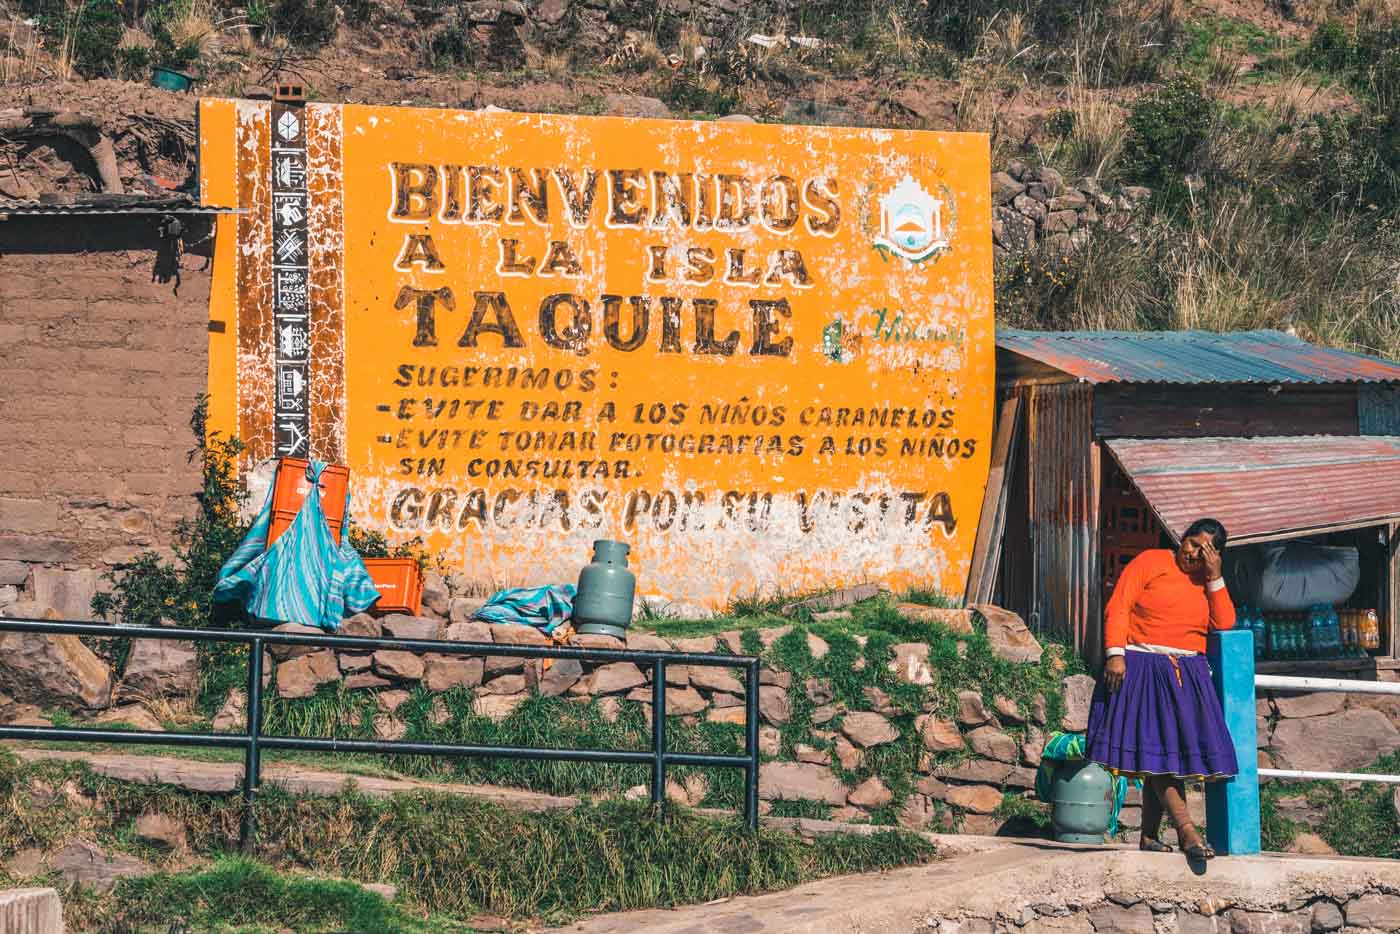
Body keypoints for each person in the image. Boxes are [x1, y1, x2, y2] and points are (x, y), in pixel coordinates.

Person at [1086, 518, 1239, 861]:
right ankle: (1187, 831)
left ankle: (1150, 835)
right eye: (1192, 543)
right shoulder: (1150, 562)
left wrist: (1214, 577)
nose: (1195, 554)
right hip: (1141, 667)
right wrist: (1115, 654)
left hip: (1186, 674)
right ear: (1181, 539)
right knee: (1157, 752)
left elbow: (1225, 623)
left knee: (1161, 752)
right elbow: (1120, 606)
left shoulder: (1207, 581)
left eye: (1206, 551)